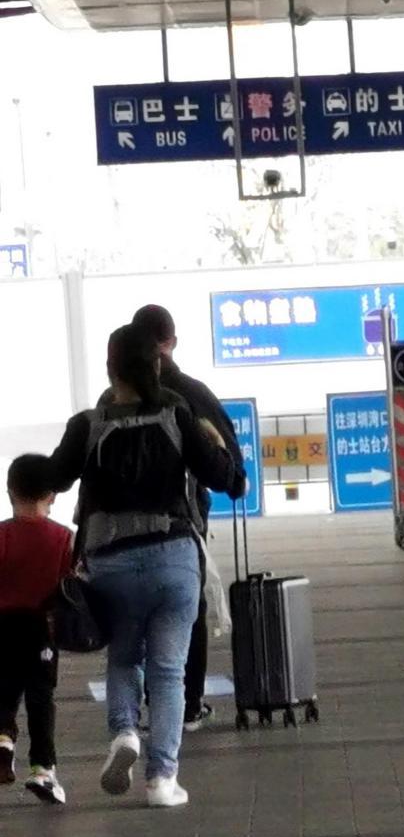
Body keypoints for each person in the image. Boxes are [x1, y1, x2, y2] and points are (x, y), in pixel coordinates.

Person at [46, 325, 242, 807]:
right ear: (156, 364)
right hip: (173, 559)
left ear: (110, 369)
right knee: (168, 671)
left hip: (111, 563)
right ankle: (161, 780)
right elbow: (224, 477)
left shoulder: (87, 425)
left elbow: (52, 478)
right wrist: (214, 442)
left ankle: (124, 733)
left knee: (124, 658)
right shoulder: (177, 413)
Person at [127, 304, 245, 731]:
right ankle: (188, 703)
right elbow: (229, 466)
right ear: (171, 341)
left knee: (139, 612)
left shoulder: (114, 397)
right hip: (182, 522)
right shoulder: (191, 394)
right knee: (185, 607)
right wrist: (234, 481)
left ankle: (140, 707)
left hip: (125, 528)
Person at [0, 455, 74, 804]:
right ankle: (43, 770)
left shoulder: (1, 535)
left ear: (10, 492)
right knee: (40, 698)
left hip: (2, 626)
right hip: (42, 628)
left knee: (4, 690)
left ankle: (3, 739)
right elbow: (70, 585)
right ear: (53, 495)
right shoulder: (63, 538)